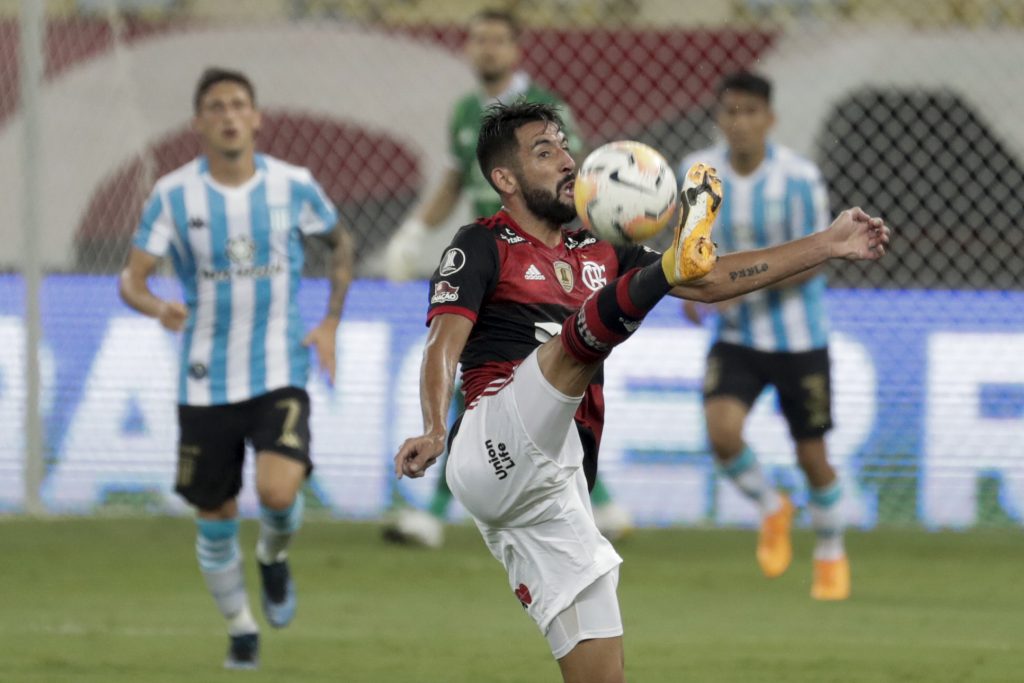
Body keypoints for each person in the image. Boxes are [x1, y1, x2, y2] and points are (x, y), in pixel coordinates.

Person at [394, 101, 888, 682]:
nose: (566, 159)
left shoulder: (601, 248)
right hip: (493, 442)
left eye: (564, 145)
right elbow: (441, 344)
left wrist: (826, 245)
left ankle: (666, 265)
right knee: (578, 342)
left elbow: (712, 282)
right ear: (504, 179)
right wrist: (432, 426)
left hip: (555, 491)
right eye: (544, 151)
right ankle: (662, 268)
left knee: (602, 676)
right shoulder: (481, 244)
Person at [119, 67, 354, 669]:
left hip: (279, 368)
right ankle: (240, 625)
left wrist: (328, 321)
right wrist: (153, 305)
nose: (228, 115)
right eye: (216, 106)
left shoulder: (293, 185)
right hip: (204, 380)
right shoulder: (174, 194)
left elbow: (340, 244)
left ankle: (274, 559)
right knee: (216, 516)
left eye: (238, 105)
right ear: (199, 122)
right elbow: (132, 278)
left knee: (278, 492)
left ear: (256, 118)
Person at [383, 8, 632, 547]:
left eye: (497, 40)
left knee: (547, 382)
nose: (486, 49)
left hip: (542, 255)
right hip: (493, 252)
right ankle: (590, 502)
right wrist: (412, 232)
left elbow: (576, 182)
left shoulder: (545, 108)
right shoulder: (464, 111)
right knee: (487, 384)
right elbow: (452, 179)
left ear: (517, 49)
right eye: (477, 39)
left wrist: (591, 249)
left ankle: (592, 497)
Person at [680, 71, 849, 600]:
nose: (740, 122)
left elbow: (818, 255)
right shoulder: (698, 173)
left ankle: (829, 550)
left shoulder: (799, 178)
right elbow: (692, 247)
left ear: (770, 119)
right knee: (722, 433)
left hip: (800, 338)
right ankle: (772, 505)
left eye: (751, 112)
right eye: (730, 111)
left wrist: (738, 292)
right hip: (737, 338)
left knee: (812, 456)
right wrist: (689, 290)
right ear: (719, 118)